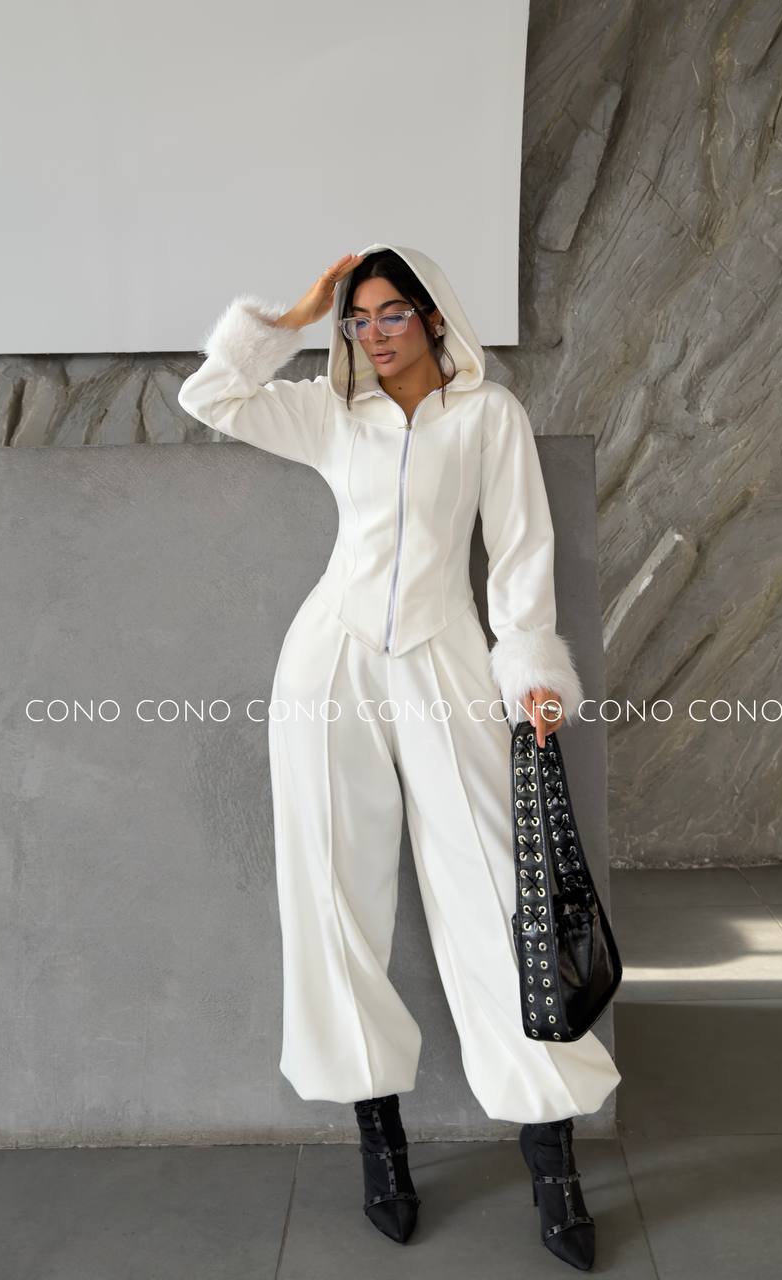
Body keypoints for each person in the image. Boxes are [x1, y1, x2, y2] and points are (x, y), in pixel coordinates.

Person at [177, 243, 620, 1270]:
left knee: (497, 894)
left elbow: (521, 554)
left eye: (390, 314)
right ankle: (380, 1140)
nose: (373, 334)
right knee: (332, 894)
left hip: (448, 659)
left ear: (431, 317)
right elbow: (212, 395)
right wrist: (291, 319)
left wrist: (531, 673)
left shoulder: (488, 414)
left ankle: (551, 1155)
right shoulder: (334, 412)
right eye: (359, 318)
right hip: (327, 666)